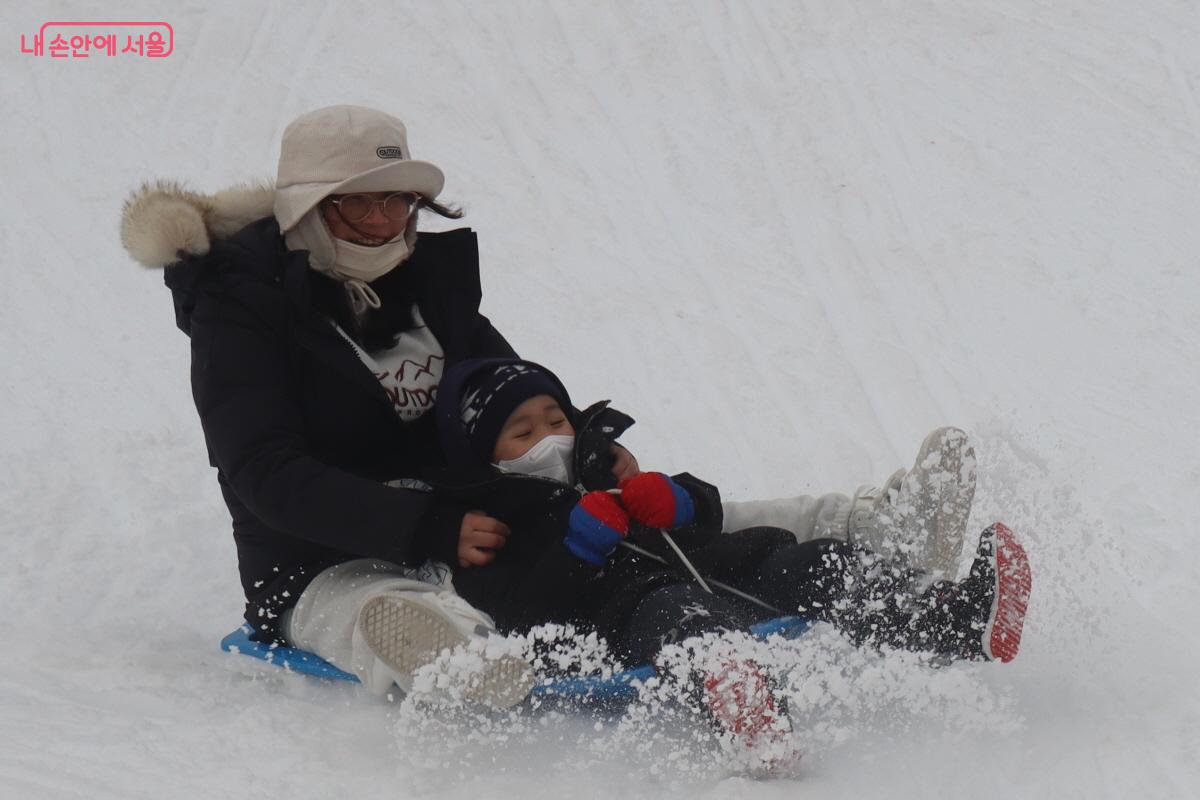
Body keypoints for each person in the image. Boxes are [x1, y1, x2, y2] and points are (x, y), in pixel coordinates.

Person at [119, 105, 644, 707]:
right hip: (319, 559)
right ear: (307, 207)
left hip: (469, 529)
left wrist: (585, 448)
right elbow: (264, 470)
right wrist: (420, 527)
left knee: (612, 537)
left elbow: (508, 395)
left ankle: (755, 543)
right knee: (378, 605)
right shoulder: (240, 309)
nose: (381, 222)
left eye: (397, 201)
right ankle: (458, 657)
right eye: (357, 204)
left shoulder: (424, 281)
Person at [427, 358, 1032, 743]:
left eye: (555, 417)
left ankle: (956, 618)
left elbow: (703, 520)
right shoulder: (490, 525)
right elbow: (523, 614)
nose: (550, 438)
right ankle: (744, 704)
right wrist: (578, 548)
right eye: (523, 432)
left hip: (716, 572)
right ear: (489, 459)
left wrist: (680, 501)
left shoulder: (603, 470)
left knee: (813, 561)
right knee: (678, 616)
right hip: (623, 618)